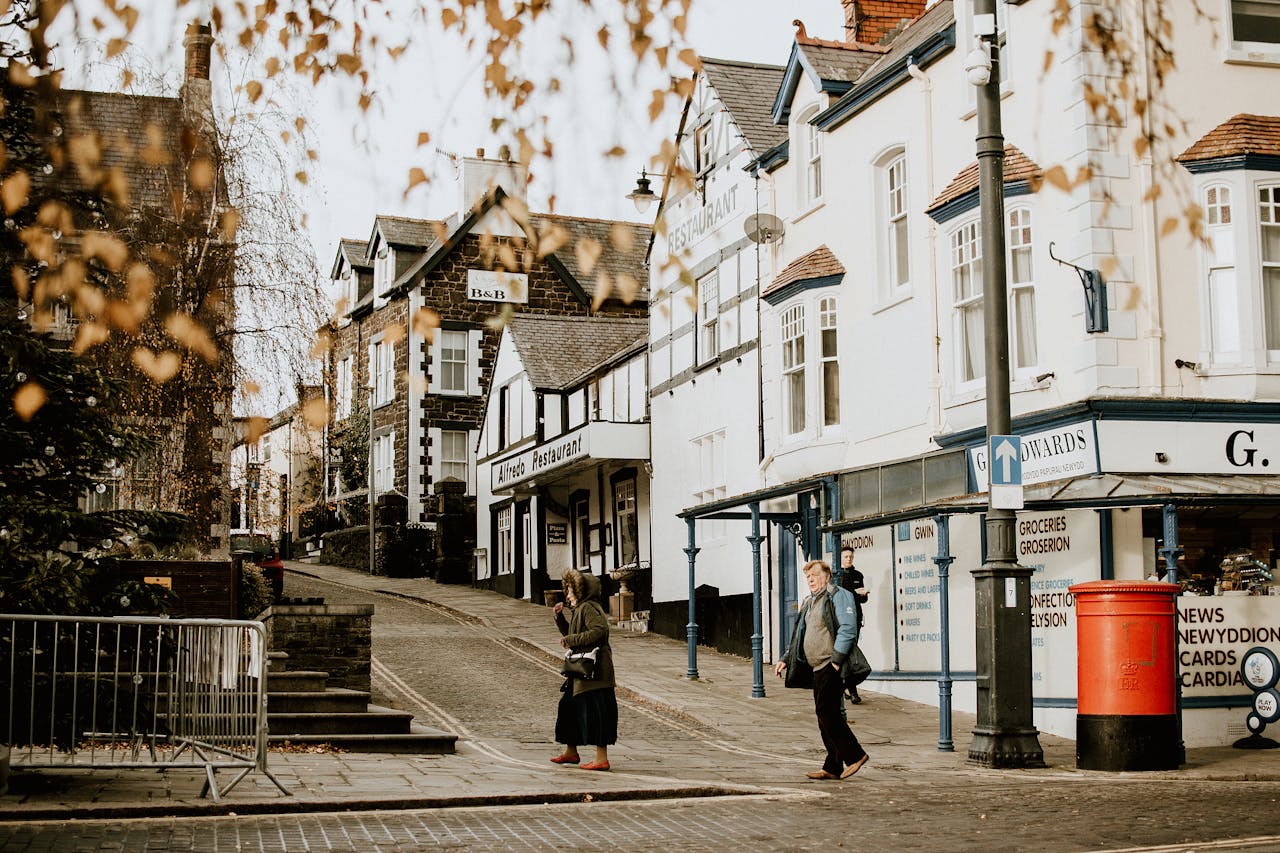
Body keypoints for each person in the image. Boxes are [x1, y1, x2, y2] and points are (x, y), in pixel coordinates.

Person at [774, 559, 870, 780]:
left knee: (828, 712)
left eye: (815, 575)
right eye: (808, 577)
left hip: (831, 664)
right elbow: (799, 634)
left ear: (827, 575)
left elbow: (848, 628)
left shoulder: (838, 595)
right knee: (824, 714)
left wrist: (836, 660)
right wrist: (786, 658)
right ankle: (833, 766)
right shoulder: (810, 602)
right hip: (817, 666)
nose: (811, 580)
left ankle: (855, 755)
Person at [550, 568, 617, 771]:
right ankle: (571, 752)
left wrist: (570, 640)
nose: (568, 595)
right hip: (580, 670)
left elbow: (599, 631)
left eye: (570, 591)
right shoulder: (580, 609)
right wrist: (560, 619)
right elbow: (574, 634)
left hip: (595, 671)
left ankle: (601, 759)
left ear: (581, 591)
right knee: (569, 708)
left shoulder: (588, 607)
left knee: (597, 712)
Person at [838, 546, 870, 704]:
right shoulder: (836, 576)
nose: (849, 559)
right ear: (841, 558)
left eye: (851, 556)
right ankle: (851, 690)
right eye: (846, 556)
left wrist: (863, 595)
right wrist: (854, 592)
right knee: (846, 652)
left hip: (855, 617)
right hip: (840, 619)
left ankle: (846, 687)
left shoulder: (858, 575)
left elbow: (862, 600)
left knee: (850, 652)